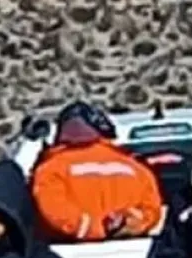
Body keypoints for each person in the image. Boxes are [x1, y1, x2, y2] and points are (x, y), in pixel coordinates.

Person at [31, 101, 163, 242]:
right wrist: (128, 223)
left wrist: (94, 228)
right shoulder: (137, 169)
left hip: (70, 255)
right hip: (135, 253)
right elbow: (151, 211)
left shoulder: (49, 170)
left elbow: (54, 211)